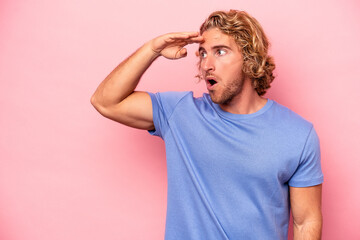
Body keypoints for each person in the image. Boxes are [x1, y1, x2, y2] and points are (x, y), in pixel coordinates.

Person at [91, 10, 323, 240]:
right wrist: (152, 49)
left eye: (220, 52)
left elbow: (306, 222)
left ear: (250, 58)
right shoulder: (179, 113)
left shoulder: (298, 134)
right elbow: (106, 102)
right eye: (202, 54)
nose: (206, 65)